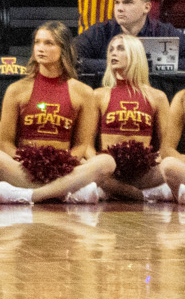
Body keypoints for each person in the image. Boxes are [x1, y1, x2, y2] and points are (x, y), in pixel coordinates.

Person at [0, 24, 98, 205]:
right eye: (37, 42)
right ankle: (64, 192)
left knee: (106, 162)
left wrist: (63, 164)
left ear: (64, 49)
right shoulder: (16, 90)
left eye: (49, 43)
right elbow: (5, 142)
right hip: (25, 167)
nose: (41, 48)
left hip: (63, 168)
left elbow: (82, 144)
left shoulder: (83, 92)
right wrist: (30, 163)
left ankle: (28, 195)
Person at [62, 33, 166, 202]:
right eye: (110, 50)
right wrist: (98, 163)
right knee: (78, 164)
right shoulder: (99, 95)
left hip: (144, 172)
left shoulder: (157, 97)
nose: (113, 53)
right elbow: (87, 145)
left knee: (172, 166)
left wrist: (154, 161)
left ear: (135, 54)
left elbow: (165, 146)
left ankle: (113, 192)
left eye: (120, 48)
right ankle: (139, 195)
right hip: (108, 171)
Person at [71, 0, 183, 70]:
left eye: (128, 2)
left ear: (146, 7)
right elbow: (71, 58)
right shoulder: (100, 32)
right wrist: (120, 65)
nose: (120, 8)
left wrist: (140, 66)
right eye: (117, 2)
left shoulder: (164, 32)